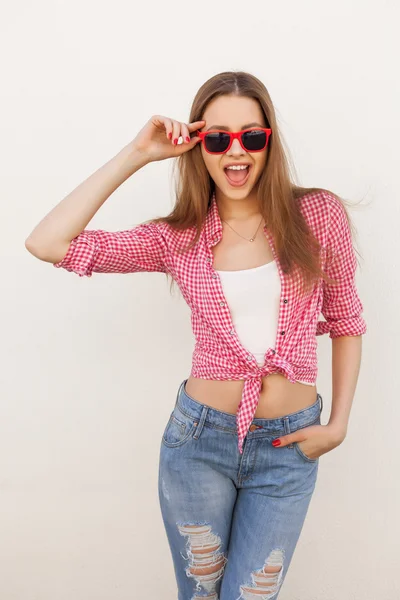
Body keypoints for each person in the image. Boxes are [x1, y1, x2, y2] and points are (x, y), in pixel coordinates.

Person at [25, 71, 367, 599]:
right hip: (198, 444)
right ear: (198, 146)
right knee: (201, 595)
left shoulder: (316, 216)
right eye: (218, 137)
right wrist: (137, 154)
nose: (237, 151)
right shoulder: (177, 238)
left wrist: (339, 423)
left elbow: (345, 321)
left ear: (269, 141)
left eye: (252, 136)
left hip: (287, 448)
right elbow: (48, 243)